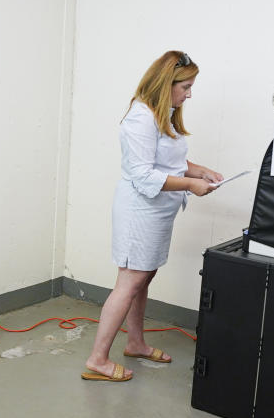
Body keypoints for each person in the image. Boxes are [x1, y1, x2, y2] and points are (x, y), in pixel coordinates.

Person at [82, 50, 222, 382]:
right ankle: (98, 359)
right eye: (185, 86)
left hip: (158, 211)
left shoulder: (165, 114)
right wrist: (190, 183)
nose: (189, 94)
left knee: (143, 280)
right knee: (129, 283)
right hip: (139, 212)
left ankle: (135, 342)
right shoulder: (140, 118)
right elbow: (144, 176)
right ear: (166, 83)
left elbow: (168, 161)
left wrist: (199, 171)